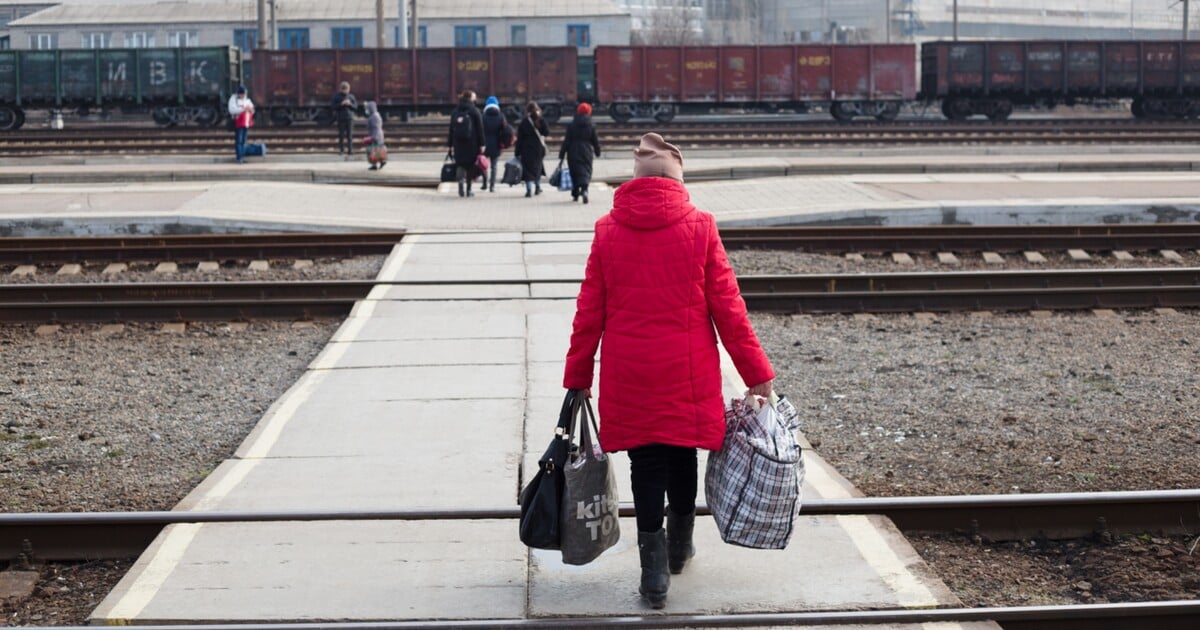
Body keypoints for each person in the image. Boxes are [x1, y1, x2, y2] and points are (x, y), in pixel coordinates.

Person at [562, 133, 775, 610]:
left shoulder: (607, 230)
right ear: (677, 179)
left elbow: (588, 313)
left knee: (646, 462)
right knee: (681, 457)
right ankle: (679, 548)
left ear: (637, 181)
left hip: (629, 372)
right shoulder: (700, 226)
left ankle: (653, 572)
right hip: (688, 372)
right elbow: (729, 308)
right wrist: (756, 372)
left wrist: (578, 376)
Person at [559, 102, 601, 204]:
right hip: (586, 150)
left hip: (573, 150)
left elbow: (567, 141)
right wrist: (597, 151)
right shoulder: (591, 125)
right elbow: (595, 140)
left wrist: (562, 154)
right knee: (586, 170)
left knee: (574, 172)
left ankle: (575, 194)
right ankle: (585, 190)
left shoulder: (572, 124)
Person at [447, 90, 485, 197]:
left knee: (460, 164)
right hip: (472, 143)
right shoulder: (475, 111)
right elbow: (480, 129)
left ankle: (460, 182)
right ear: (470, 98)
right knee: (470, 166)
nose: (475, 99)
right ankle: (468, 190)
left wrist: (450, 145)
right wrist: (482, 144)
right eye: (474, 97)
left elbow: (451, 130)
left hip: (458, 143)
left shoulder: (455, 111)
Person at [514, 101, 550, 198]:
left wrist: (517, 152)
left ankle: (529, 190)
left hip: (526, 149)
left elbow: (519, 139)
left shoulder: (524, 122)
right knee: (538, 168)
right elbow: (546, 132)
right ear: (537, 109)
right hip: (538, 149)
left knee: (527, 170)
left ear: (527, 110)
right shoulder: (541, 120)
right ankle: (537, 188)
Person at [480, 95, 510, 192]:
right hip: (497, 144)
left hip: (484, 144)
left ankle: (484, 183)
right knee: (494, 166)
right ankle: (492, 186)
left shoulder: (482, 116)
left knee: (483, 165)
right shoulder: (501, 116)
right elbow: (506, 131)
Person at [227, 84, 254, 164]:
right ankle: (239, 157)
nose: (244, 95)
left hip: (246, 123)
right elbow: (232, 110)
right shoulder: (233, 99)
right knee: (239, 140)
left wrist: (250, 109)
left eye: (245, 94)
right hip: (238, 123)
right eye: (242, 94)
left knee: (243, 141)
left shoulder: (247, 100)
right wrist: (243, 109)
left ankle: (242, 156)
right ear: (239, 93)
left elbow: (252, 110)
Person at [331, 82, 357, 156]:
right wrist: (341, 104)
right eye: (344, 89)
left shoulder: (351, 96)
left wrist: (350, 104)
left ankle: (350, 150)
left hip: (350, 118)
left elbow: (355, 107)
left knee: (350, 135)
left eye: (347, 89)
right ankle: (341, 150)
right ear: (341, 89)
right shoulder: (337, 97)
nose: (346, 91)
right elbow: (333, 107)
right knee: (341, 135)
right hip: (340, 118)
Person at [364, 101, 386, 171]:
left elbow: (376, 127)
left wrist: (374, 137)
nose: (366, 110)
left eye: (367, 108)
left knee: (373, 149)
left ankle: (376, 164)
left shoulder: (374, 116)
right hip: (377, 135)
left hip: (375, 135)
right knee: (377, 149)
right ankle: (379, 162)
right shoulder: (375, 115)